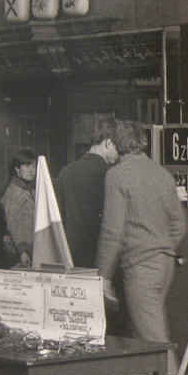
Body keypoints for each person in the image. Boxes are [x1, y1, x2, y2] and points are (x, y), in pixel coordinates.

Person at [96, 120, 187, 375]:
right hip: (165, 265)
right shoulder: (161, 173)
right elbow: (180, 224)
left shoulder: (117, 176)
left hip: (140, 266)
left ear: (117, 143)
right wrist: (162, 247)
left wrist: (103, 276)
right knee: (141, 333)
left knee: (153, 337)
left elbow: (112, 232)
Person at [55, 115, 119, 268]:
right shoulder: (112, 175)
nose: (119, 155)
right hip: (102, 261)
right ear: (108, 143)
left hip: (72, 260)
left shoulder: (65, 172)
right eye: (118, 148)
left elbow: (58, 219)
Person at [0, 149, 37, 269]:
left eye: (33, 166)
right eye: (27, 166)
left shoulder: (29, 189)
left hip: (29, 250)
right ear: (17, 169)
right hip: (19, 252)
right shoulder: (14, 192)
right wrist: (22, 251)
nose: (32, 170)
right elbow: (13, 224)